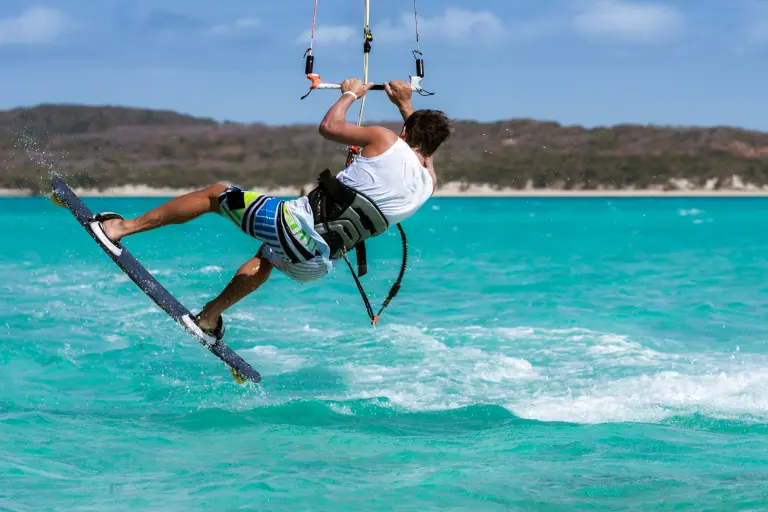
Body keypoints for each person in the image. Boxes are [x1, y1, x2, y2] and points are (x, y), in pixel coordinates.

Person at [92, 79, 451, 341]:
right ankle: (209, 317)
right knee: (267, 257)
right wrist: (406, 104)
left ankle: (121, 229)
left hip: (289, 227)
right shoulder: (428, 185)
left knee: (215, 195)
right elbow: (425, 155)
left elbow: (329, 128)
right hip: (314, 266)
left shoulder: (386, 139)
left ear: (404, 131)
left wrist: (349, 94)